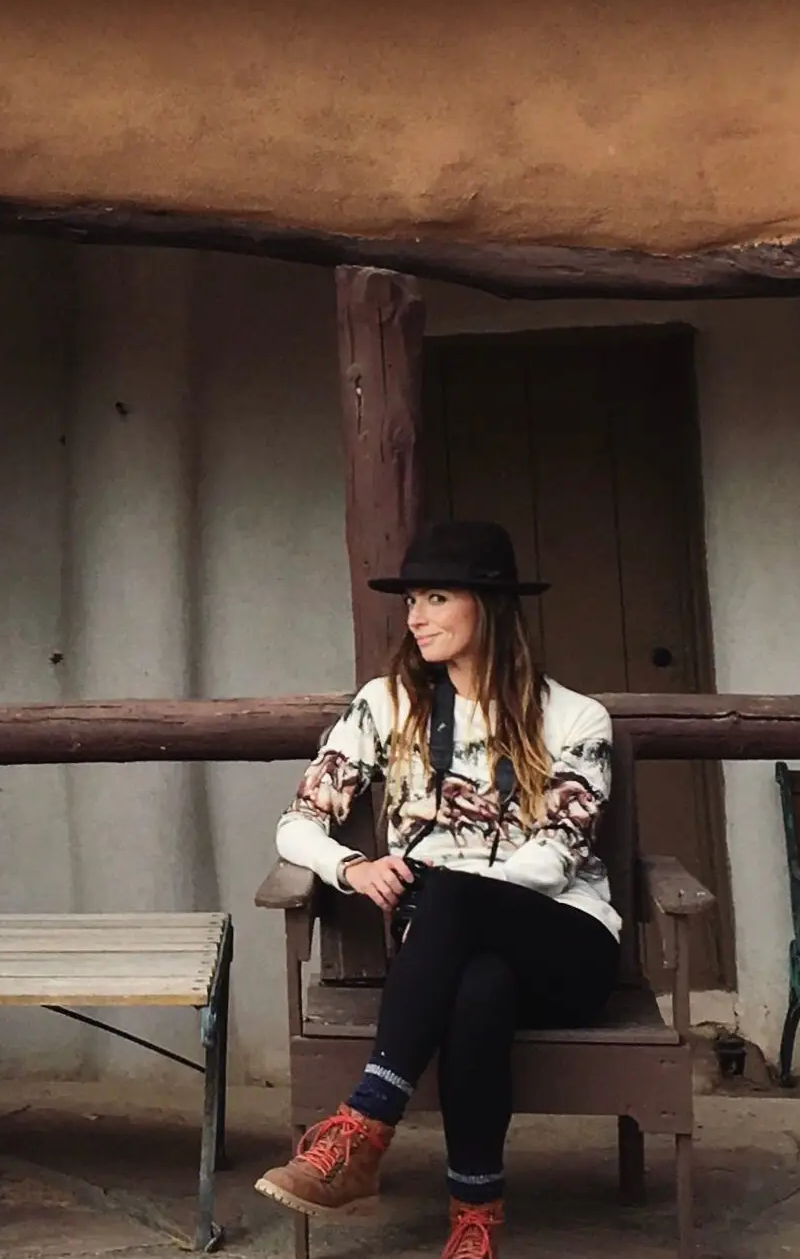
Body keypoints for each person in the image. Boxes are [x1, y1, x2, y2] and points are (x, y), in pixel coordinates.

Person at [254, 520, 618, 1259]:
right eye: (411, 599)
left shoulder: (576, 717)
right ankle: (474, 1222)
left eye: (436, 597)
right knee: (477, 985)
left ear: (487, 606)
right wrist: (350, 868)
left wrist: (451, 898)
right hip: (453, 955)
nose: (414, 616)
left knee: (450, 903)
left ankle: (364, 1124)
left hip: (565, 944)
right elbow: (295, 826)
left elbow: (555, 858)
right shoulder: (387, 706)